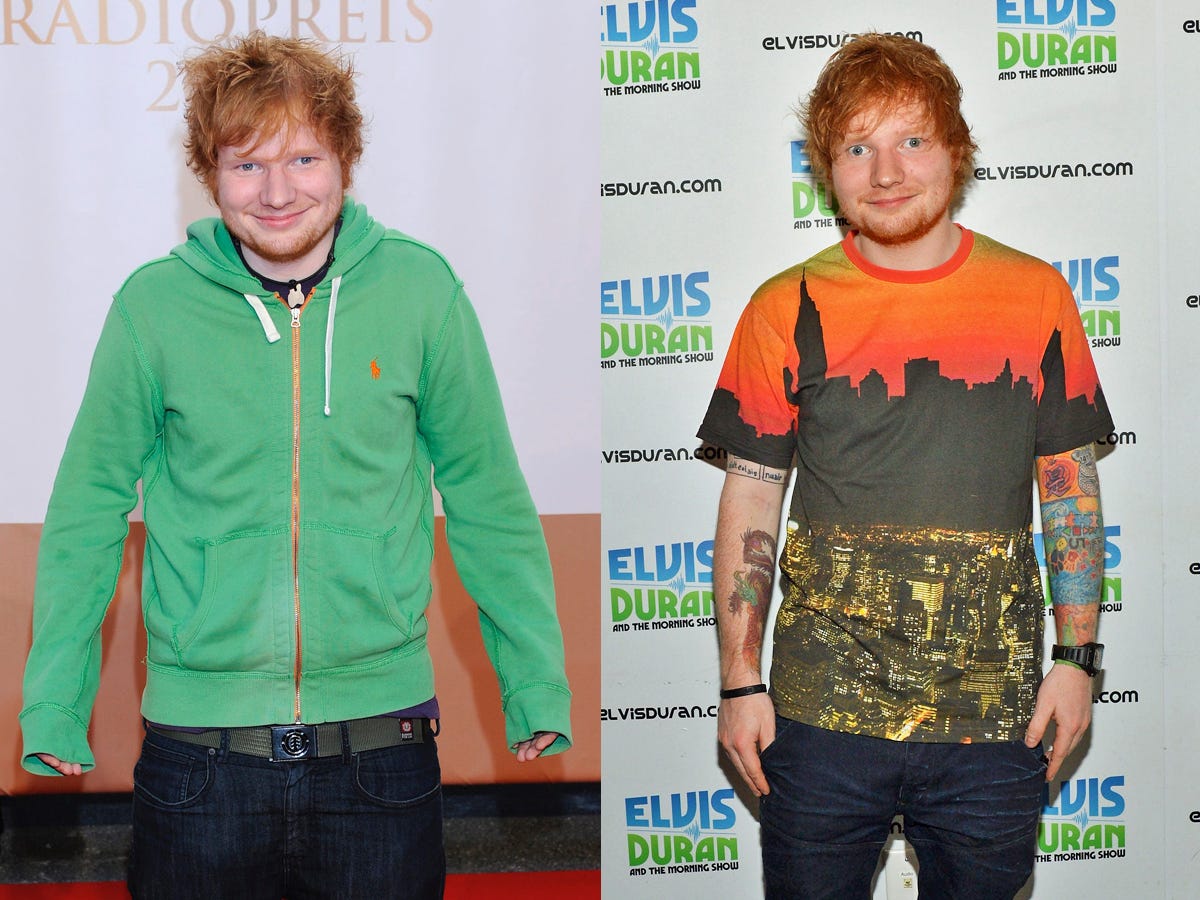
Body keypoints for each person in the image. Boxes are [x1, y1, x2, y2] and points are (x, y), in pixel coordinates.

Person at [19, 32, 571, 900]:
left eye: (304, 157)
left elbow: (487, 497)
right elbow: (87, 508)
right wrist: (54, 699)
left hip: (381, 762)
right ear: (208, 172)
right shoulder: (152, 308)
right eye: (246, 165)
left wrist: (535, 680)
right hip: (199, 767)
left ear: (347, 159)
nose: (277, 193)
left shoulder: (422, 293)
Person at [698, 33, 1112, 900]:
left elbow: (1069, 489)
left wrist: (1076, 662)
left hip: (995, 718)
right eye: (858, 146)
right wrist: (741, 682)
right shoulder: (785, 304)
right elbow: (752, 497)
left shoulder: (1036, 294)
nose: (885, 171)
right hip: (816, 713)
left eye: (910, 140)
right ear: (828, 167)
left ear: (956, 151)